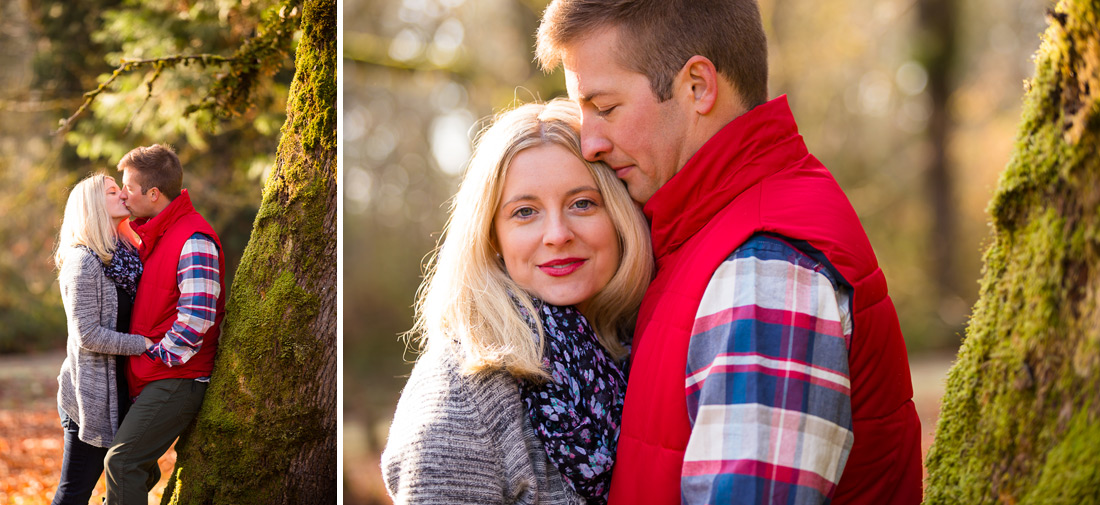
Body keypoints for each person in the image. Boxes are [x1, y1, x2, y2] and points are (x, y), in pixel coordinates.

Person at [536, 1, 923, 504]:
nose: (589, 144)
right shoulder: (703, 237)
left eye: (606, 108)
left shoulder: (767, 266)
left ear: (697, 86)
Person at [381, 99, 653, 505]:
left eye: (583, 203)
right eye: (525, 212)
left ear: (619, 217)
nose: (557, 234)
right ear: (493, 237)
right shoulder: (462, 396)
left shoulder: (633, 352)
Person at [103, 144, 227, 504]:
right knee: (137, 467)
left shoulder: (194, 239)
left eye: (129, 187)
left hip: (179, 376)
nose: (124, 194)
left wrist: (157, 356)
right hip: (157, 375)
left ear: (153, 194)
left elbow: (198, 316)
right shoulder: (156, 234)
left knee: (123, 462)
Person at [52, 174, 153, 505]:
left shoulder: (124, 255)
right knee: (75, 493)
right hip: (90, 398)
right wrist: (144, 344)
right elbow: (88, 335)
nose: (123, 194)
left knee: (131, 476)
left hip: (122, 388)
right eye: (113, 191)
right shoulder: (84, 262)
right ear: (93, 206)